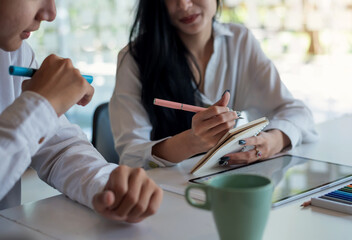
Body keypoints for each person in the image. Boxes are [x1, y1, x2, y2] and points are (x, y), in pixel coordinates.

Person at [0, 0, 163, 223]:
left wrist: (107, 185)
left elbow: (59, 149)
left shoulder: (13, 54)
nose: (50, 13)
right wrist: (42, 105)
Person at [110, 0, 318, 169]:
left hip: (224, 180)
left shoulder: (239, 41)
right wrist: (192, 141)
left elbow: (297, 112)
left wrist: (272, 141)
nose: (183, 5)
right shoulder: (134, 58)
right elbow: (131, 155)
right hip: (164, 191)